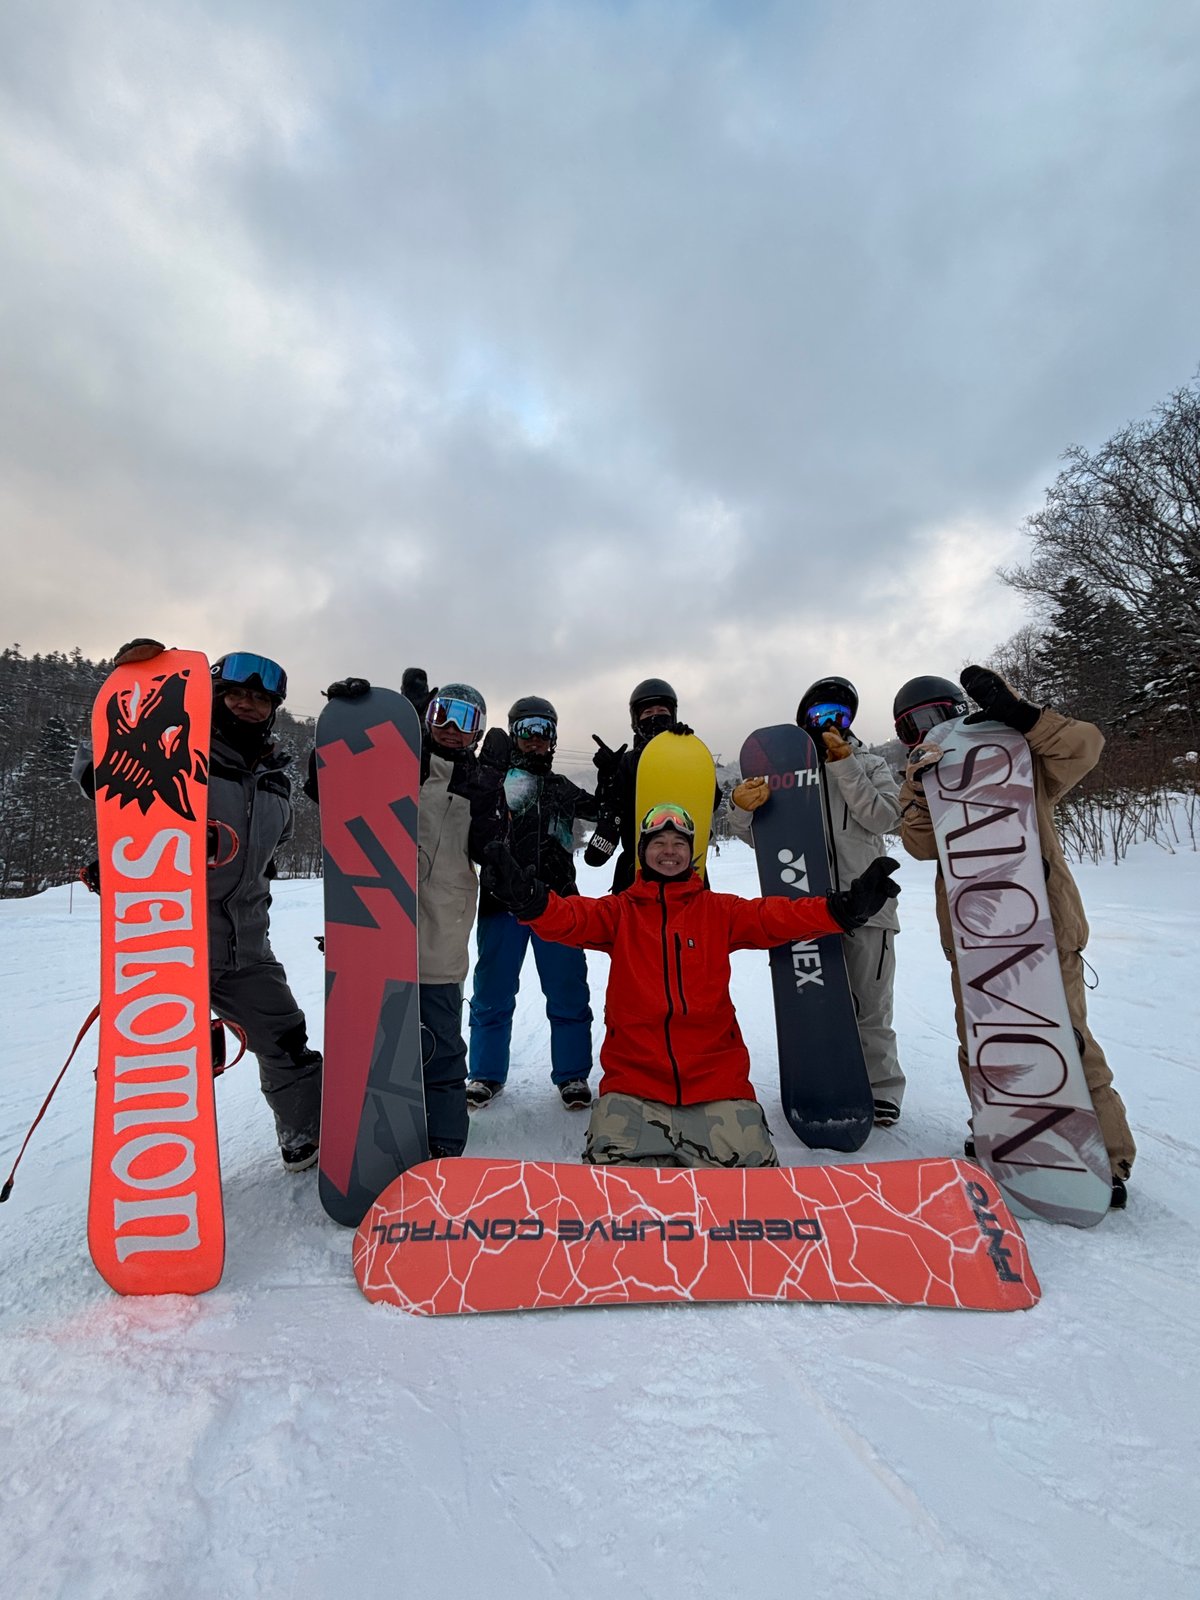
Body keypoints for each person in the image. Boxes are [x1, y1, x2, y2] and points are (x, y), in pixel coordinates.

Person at [481, 802, 900, 1168]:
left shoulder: (718, 911)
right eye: (658, 842)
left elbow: (777, 917)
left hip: (718, 1086)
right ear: (643, 852)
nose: (669, 850)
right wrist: (530, 900)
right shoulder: (620, 913)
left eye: (679, 843)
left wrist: (842, 909)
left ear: (692, 854)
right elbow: (569, 918)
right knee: (615, 1202)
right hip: (634, 1087)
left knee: (749, 1197)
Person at [893, 666, 1136, 1208]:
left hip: (1041, 928)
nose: (928, 732)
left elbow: (1086, 746)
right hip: (975, 938)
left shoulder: (1019, 755)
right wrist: (916, 783)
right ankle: (1002, 1136)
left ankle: (1106, 1155)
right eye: (913, 727)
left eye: (936, 717)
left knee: (1063, 1038)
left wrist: (1022, 717)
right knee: (985, 1038)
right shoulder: (931, 776)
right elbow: (918, 845)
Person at [76, 643, 323, 1171]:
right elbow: (100, 773)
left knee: (288, 1042)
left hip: (246, 948)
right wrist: (139, 697)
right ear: (215, 694)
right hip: (168, 941)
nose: (248, 705)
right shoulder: (173, 748)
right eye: (237, 693)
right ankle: (147, 1169)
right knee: (158, 1063)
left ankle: (305, 1135)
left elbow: (271, 851)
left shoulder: (275, 776)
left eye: (260, 699)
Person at [307, 674, 506, 1160]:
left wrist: (491, 803)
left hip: (439, 931)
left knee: (438, 1045)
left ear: (478, 732)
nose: (453, 729)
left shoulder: (478, 784)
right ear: (427, 717)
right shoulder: (392, 763)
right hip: (376, 927)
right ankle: (363, 1133)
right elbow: (326, 788)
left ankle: (444, 1141)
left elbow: (491, 852)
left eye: (467, 721)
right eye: (443, 715)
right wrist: (352, 726)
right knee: (373, 1040)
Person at [725, 676, 905, 1128]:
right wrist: (741, 808)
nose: (829, 723)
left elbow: (884, 817)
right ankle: (821, 1079)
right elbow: (758, 839)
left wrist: (845, 766)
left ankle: (881, 1088)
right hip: (806, 906)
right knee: (814, 998)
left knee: (870, 1002)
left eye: (839, 716)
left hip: (867, 904)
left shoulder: (869, 764)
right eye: (820, 714)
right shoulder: (785, 771)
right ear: (803, 718)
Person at [466, 697, 600, 1111]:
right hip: (501, 903)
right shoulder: (494, 785)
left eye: (545, 730)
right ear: (513, 735)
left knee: (567, 991)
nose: (536, 739)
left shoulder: (562, 789)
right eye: (526, 730)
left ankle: (573, 1074)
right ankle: (486, 1073)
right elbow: (460, 806)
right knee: (492, 992)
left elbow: (606, 813)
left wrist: (613, 786)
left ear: (554, 738)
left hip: (558, 904)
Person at [591, 677, 710, 892]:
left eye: (662, 711)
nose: (655, 716)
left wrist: (689, 754)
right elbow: (608, 808)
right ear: (636, 721)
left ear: (672, 716)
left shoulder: (688, 757)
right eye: (647, 713)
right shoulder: (627, 763)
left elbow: (709, 800)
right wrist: (608, 776)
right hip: (634, 873)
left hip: (686, 870)